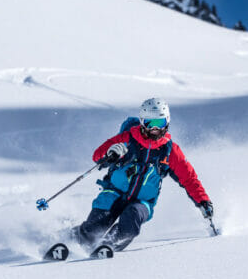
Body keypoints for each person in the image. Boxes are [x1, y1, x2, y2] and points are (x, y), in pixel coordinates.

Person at [73, 97, 213, 252]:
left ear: (167, 122)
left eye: (159, 124)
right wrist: (110, 153)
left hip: (143, 202)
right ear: (141, 122)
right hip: (114, 193)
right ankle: (67, 240)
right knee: (93, 229)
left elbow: (189, 178)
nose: (154, 129)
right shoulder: (127, 138)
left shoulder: (170, 151)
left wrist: (203, 201)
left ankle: (107, 245)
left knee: (130, 224)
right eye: (149, 123)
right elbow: (97, 156)